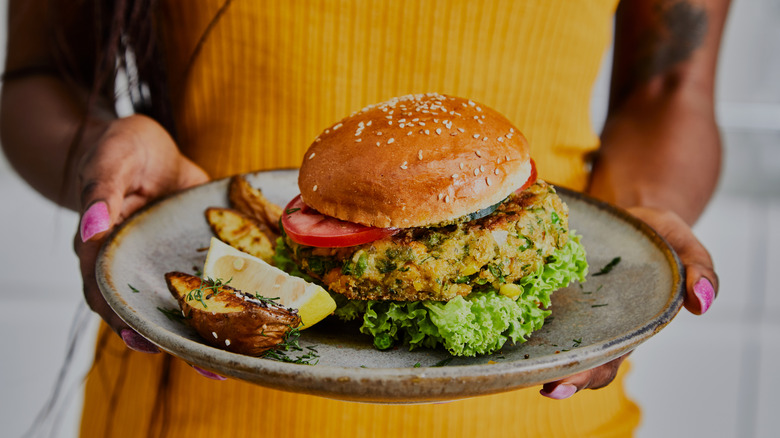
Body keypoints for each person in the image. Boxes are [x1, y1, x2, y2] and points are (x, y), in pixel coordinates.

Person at [1, 0, 729, 436]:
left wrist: (629, 241)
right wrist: (104, 153)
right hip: (201, 389)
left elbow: (669, 87)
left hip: (539, 405)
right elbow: (40, 77)